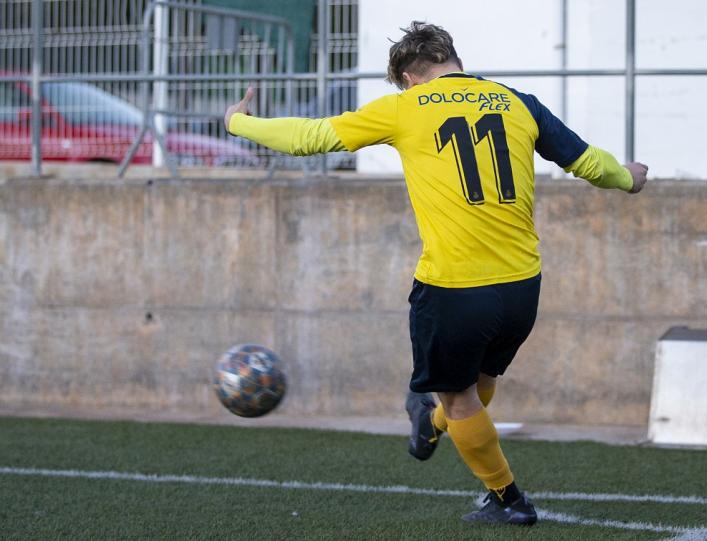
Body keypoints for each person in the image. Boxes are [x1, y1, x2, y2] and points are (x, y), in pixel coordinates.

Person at [225, 21, 648, 526]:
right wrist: (627, 177)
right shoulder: (517, 102)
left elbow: (309, 137)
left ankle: (507, 499)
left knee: (459, 395)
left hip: (454, 287)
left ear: (408, 77)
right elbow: (584, 161)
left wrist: (237, 123)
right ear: (456, 62)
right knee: (478, 386)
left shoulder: (406, 107)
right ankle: (431, 423)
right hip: (522, 285)